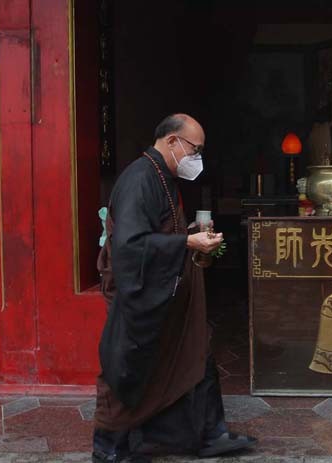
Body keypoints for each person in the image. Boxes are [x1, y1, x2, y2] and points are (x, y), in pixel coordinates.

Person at [93, 114, 256, 462]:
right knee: (130, 370)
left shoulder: (162, 175)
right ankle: (110, 447)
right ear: (171, 142)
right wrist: (186, 243)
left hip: (171, 292)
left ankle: (211, 433)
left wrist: (193, 242)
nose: (196, 158)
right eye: (193, 149)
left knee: (197, 354)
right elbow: (130, 247)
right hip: (144, 299)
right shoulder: (140, 179)